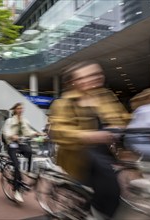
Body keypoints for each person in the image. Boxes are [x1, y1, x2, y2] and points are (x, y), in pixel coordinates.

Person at [49, 60, 129, 219]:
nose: (94, 78)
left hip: (106, 149)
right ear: (74, 82)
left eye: (97, 74)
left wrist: (124, 125)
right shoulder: (63, 103)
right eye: (87, 76)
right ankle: (98, 214)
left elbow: (120, 117)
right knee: (109, 185)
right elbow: (59, 131)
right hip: (78, 153)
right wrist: (87, 136)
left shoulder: (105, 96)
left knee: (131, 175)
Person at [2, 102, 41, 203]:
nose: (21, 110)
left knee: (30, 151)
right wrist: (12, 136)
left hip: (20, 143)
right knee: (17, 165)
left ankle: (28, 171)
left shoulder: (24, 120)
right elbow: (5, 131)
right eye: (18, 108)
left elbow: (28, 131)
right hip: (11, 144)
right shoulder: (9, 121)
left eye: (22, 108)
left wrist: (36, 133)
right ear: (15, 110)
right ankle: (16, 191)